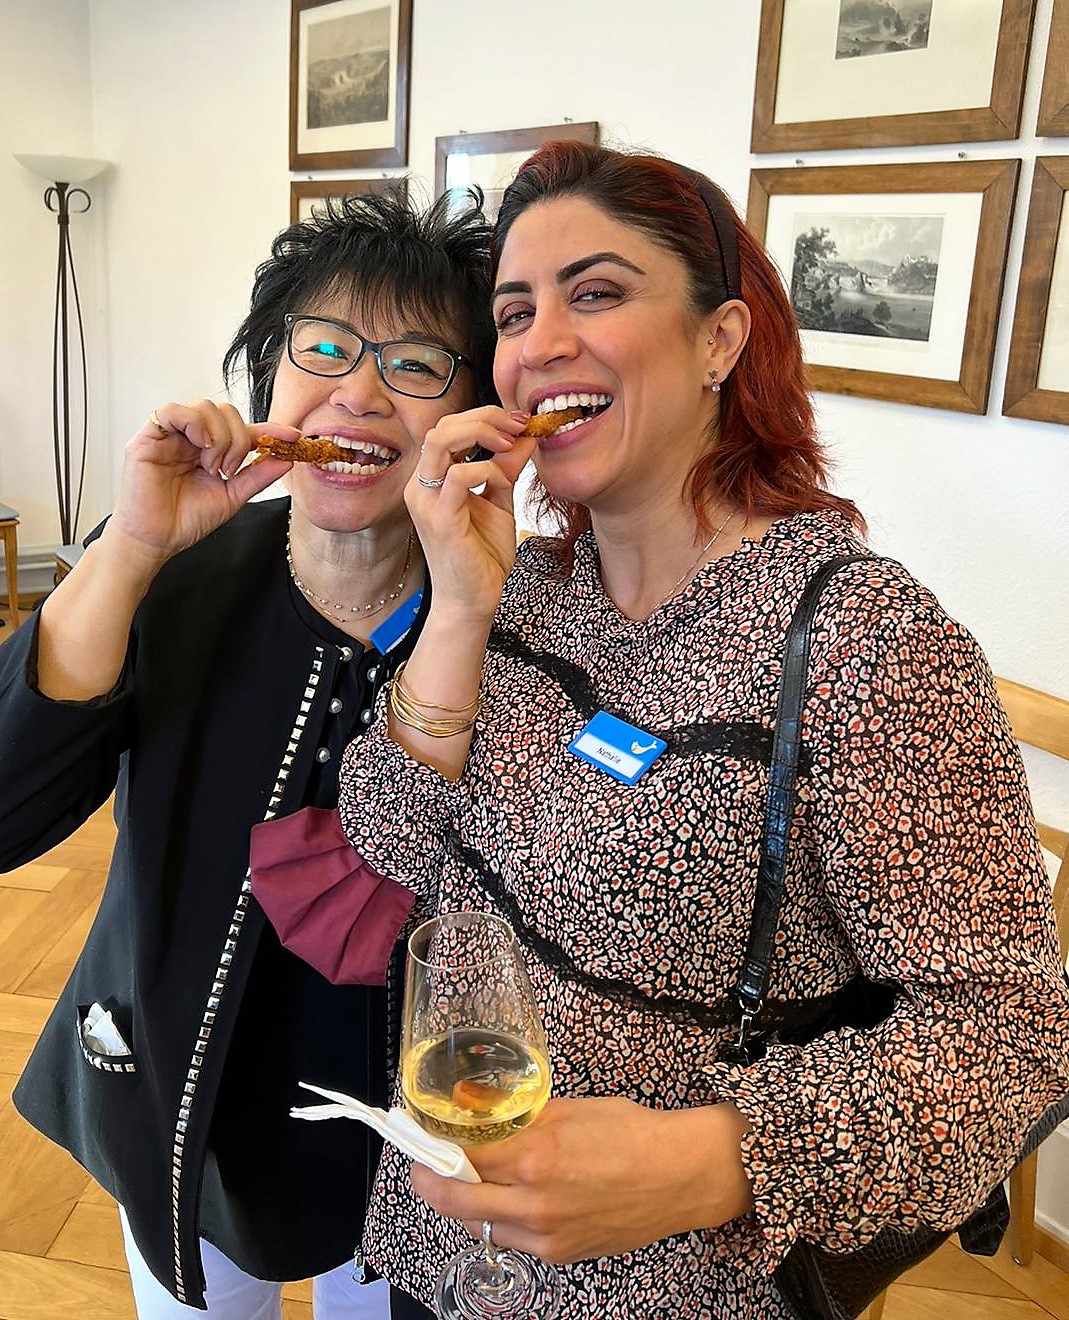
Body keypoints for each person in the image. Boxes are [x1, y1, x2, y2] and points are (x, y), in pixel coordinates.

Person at [321, 142, 1069, 1317]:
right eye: (513, 312)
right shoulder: (521, 588)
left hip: (674, 1285)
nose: (537, 343)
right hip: (447, 1240)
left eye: (595, 292)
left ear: (720, 341)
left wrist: (712, 1161)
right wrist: (458, 608)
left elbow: (1013, 1042)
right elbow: (389, 838)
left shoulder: (864, 643)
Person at [0, 185, 497, 1319]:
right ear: (268, 371)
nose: (357, 392)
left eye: (416, 363)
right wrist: (131, 547)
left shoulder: (499, 622)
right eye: (322, 346)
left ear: (472, 410)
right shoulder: (170, 570)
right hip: (179, 1109)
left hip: (411, 1146)